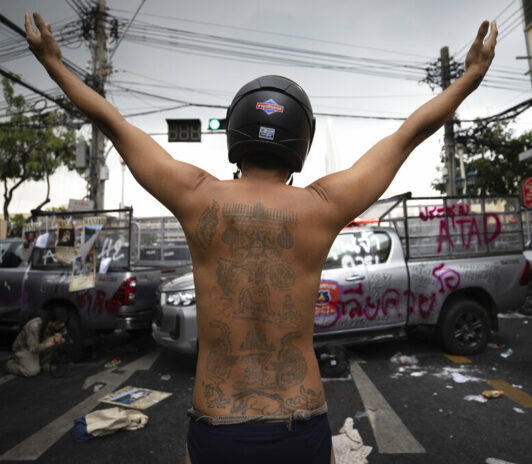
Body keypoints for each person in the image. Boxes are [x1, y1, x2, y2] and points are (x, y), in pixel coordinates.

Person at [25, 12, 497, 463]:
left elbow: (116, 126)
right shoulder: (321, 205)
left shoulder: (196, 196)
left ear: (236, 132)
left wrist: (52, 63)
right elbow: (407, 135)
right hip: (300, 420)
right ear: (301, 143)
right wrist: (469, 78)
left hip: (216, 423)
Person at [5, 307, 67, 377]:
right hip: (24, 349)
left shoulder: (54, 325)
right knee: (32, 371)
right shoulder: (34, 326)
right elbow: (33, 348)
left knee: (55, 340)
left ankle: (44, 364)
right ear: (53, 322)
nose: (62, 325)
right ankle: (10, 365)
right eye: (60, 323)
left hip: (38, 345)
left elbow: (64, 334)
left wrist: (61, 338)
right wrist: (51, 343)